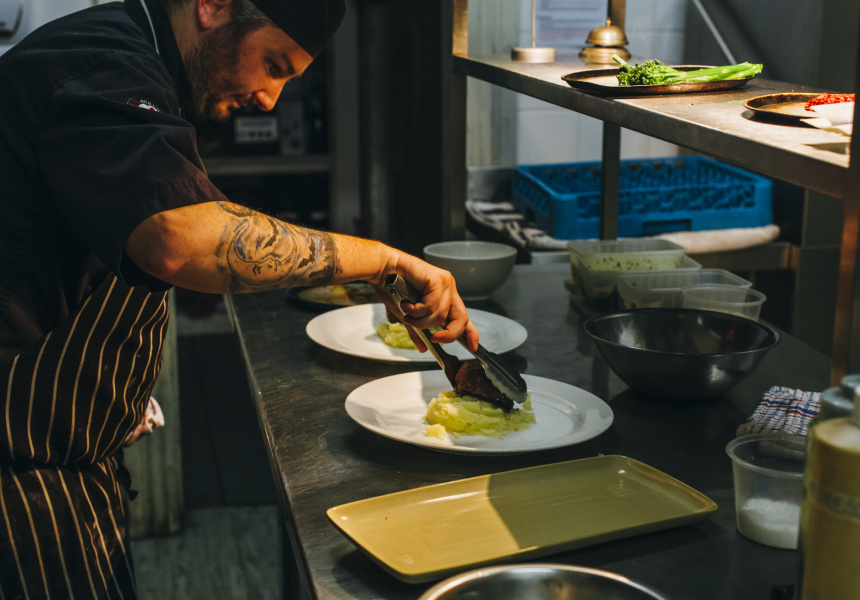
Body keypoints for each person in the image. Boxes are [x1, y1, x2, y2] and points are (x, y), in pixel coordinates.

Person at [0, 0, 478, 596]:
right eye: (273, 66)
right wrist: (383, 261)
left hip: (56, 452)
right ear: (214, 5)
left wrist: (112, 391)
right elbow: (177, 241)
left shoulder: (137, 61)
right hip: (21, 479)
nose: (270, 99)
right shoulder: (104, 66)